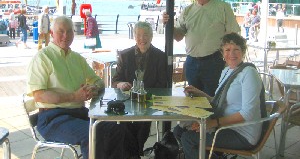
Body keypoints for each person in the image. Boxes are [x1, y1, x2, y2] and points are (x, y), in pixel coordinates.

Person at [26, 16, 131, 159]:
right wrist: (74, 97)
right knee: (92, 135)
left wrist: (93, 87)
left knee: (117, 128)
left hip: (78, 113)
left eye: (69, 31)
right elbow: (39, 95)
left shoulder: (77, 58)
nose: (66, 36)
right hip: (52, 118)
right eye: (61, 31)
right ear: (51, 33)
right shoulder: (43, 58)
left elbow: (98, 81)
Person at [173, 32, 266, 159]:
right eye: (227, 50)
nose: (231, 54)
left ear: (243, 52)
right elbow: (218, 101)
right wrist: (200, 93)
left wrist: (212, 123)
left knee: (189, 139)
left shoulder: (249, 73)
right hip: (225, 125)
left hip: (242, 133)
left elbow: (247, 114)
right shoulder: (227, 71)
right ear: (222, 53)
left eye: (236, 50)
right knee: (178, 131)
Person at [162, 0, 240, 96]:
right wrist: (169, 24)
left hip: (214, 62)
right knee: (194, 102)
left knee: (212, 101)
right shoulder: (187, 11)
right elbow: (178, 36)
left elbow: (234, 37)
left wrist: (230, 60)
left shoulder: (223, 8)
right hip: (191, 63)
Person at [112, 21, 168, 157]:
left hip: (149, 101)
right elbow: (115, 81)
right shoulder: (125, 55)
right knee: (124, 125)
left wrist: (146, 96)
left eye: (146, 35)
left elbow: (162, 84)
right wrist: (121, 84)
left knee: (143, 124)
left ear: (151, 37)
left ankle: (133, 154)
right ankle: (135, 154)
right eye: (138, 35)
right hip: (128, 100)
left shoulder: (160, 56)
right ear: (134, 36)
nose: (142, 39)